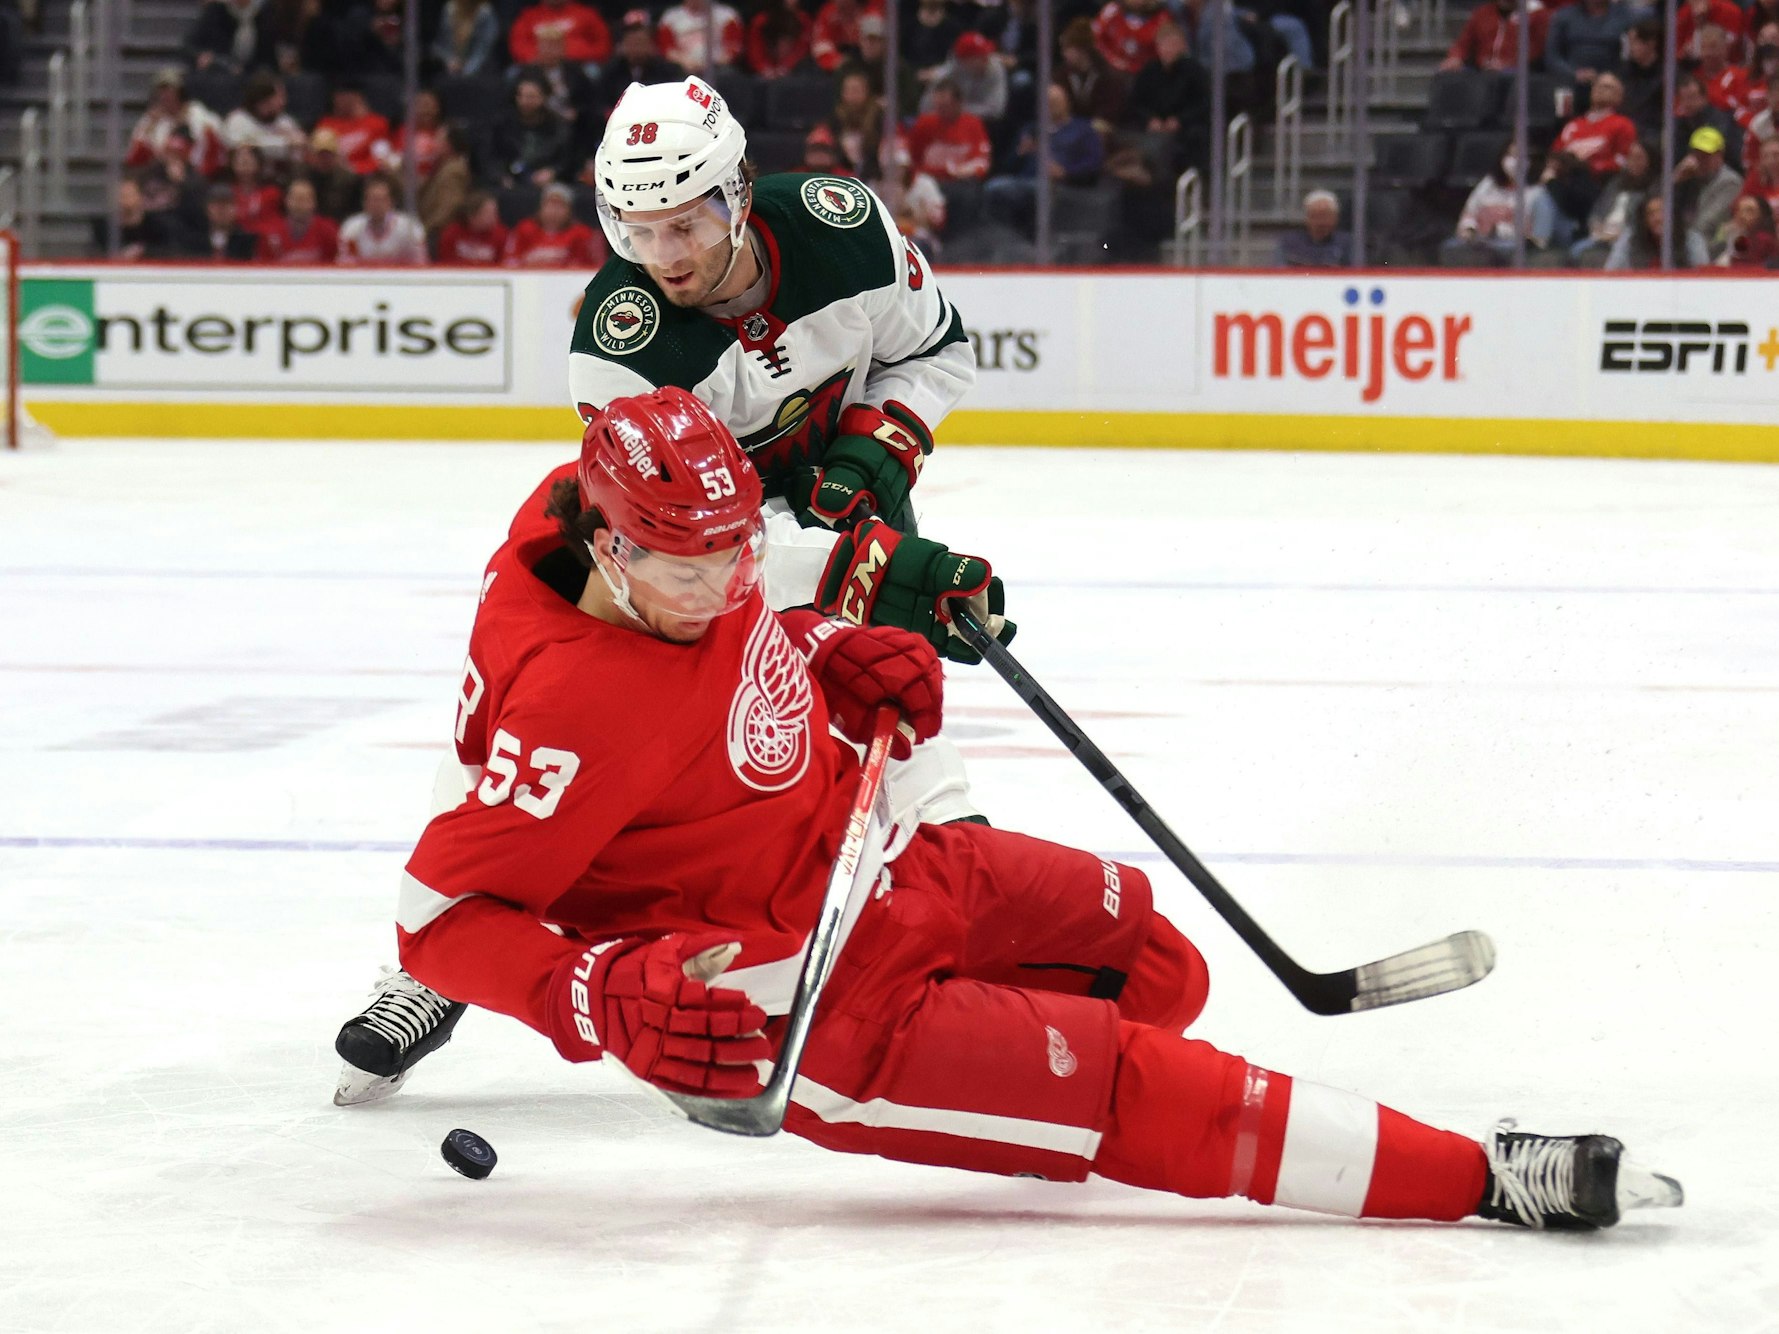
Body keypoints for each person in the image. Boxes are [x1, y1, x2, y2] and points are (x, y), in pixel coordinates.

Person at [381, 380, 1684, 1236]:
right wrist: (588, 994)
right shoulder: (564, 706)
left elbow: (735, 622)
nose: (724, 574)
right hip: (810, 995)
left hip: (886, 860)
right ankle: (1480, 1176)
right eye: (690, 561)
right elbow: (433, 917)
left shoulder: (633, 524)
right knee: (1138, 1085)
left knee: (1148, 949)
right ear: (611, 551)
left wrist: (825, 652)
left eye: (733, 546)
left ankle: (1044, 1083)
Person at [332, 76, 1000, 1102]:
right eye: (637, 231)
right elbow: (676, 544)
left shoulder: (845, 227)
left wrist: (879, 449)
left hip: (844, 502)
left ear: (738, 193)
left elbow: (933, 348)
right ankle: (431, 960)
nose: (668, 255)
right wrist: (857, 568)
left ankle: (976, 894)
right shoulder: (620, 342)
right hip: (690, 567)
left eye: (687, 223)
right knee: (534, 739)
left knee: (886, 702)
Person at [1441, 142, 1560, 264]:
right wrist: (1469, 231)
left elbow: (1540, 240)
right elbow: (1469, 216)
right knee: (1453, 248)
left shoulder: (1538, 194)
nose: (1515, 162)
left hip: (1518, 253)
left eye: (1521, 156)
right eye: (1510, 155)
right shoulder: (1488, 185)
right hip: (1480, 247)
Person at [1674, 124, 1744, 249]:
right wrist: (1675, 181)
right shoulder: (1687, 177)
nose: (1701, 161)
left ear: (1720, 155)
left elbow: (1706, 223)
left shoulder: (1730, 182)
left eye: (1707, 156)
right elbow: (1655, 206)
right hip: (1686, 240)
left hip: (1715, 244)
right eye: (1697, 155)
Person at [222, 71, 307, 171]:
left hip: (279, 181)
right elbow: (248, 150)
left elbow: (298, 150)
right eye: (279, 96)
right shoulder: (237, 120)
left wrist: (298, 144)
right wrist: (284, 143)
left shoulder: (285, 121)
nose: (283, 102)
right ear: (264, 100)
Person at [505, 181, 606, 266]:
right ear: (541, 207)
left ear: (569, 210)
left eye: (560, 206)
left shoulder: (581, 234)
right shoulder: (525, 229)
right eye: (550, 205)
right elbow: (510, 261)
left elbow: (587, 266)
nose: (554, 211)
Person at [1543, 0, 1633, 92]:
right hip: (1571, 85)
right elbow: (1552, 57)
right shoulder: (1563, 16)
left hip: (1612, 85)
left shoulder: (1625, 15)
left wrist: (1611, 77)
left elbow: (1632, 53)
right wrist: (1574, 74)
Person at [337, 174, 427, 264]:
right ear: (364, 203)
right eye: (372, 199)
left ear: (391, 202)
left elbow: (419, 263)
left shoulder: (409, 228)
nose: (376, 205)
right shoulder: (352, 229)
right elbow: (347, 263)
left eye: (381, 199)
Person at [1441, 0, 1550, 73]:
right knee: (1448, 75)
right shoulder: (1483, 13)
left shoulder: (1537, 14)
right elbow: (1463, 44)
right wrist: (1455, 58)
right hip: (1482, 71)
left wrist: (1506, 64)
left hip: (1516, 73)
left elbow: (1536, 52)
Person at [1605, 193, 1710, 267]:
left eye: (1662, 211)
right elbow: (1611, 272)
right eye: (1651, 213)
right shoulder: (1630, 239)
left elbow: (1702, 277)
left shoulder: (1691, 240)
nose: (1657, 218)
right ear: (1644, 220)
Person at [313, 81, 391, 175]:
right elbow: (316, 157)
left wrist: (353, 168)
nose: (340, 99)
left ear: (357, 96)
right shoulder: (325, 123)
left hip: (364, 177)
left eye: (345, 95)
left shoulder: (377, 123)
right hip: (332, 176)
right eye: (338, 95)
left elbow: (380, 159)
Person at [256, 175, 339, 261]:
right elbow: (263, 267)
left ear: (314, 202)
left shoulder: (328, 230)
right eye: (295, 199)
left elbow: (337, 264)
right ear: (286, 201)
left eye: (304, 199)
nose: (299, 204)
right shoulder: (270, 231)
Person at [508, 0, 612, 68]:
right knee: (514, 72)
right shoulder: (529, 16)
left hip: (579, 65)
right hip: (538, 65)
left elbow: (603, 46)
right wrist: (539, 57)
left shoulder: (586, 14)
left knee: (593, 70)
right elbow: (517, 45)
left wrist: (569, 54)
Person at [657, 0, 745, 72]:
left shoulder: (728, 16)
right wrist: (686, 62)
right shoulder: (670, 17)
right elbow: (667, 50)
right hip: (683, 68)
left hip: (718, 68)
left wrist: (712, 64)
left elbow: (733, 48)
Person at [180, 184, 260, 261]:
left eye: (226, 205)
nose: (221, 210)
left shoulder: (246, 240)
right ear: (207, 209)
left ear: (236, 208)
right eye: (216, 205)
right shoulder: (194, 240)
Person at [1275, 188, 1353, 266]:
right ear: (1306, 218)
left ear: (1336, 218)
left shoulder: (1349, 244)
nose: (1321, 222)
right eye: (1315, 216)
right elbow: (1279, 273)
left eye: (1325, 216)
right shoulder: (1289, 243)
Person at [436, 190, 508, 264]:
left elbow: (503, 264)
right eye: (488, 214)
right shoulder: (451, 233)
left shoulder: (501, 234)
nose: (494, 218)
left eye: (495, 213)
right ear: (472, 216)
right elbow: (445, 263)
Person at [432, 0, 499, 76]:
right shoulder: (449, 9)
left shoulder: (485, 14)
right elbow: (440, 46)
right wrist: (449, 61)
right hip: (449, 68)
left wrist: (465, 71)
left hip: (477, 71)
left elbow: (483, 52)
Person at [1714, 192, 1778, 265]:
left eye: (1749, 211)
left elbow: (1750, 267)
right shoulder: (1729, 233)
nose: (1742, 215)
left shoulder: (1763, 239)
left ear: (1762, 216)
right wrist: (1722, 233)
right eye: (1738, 210)